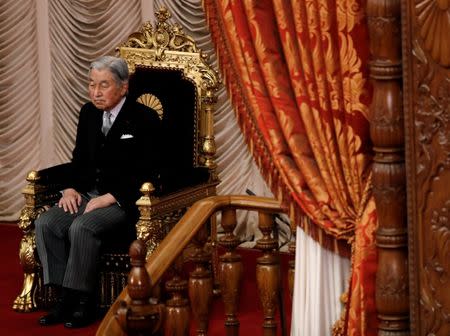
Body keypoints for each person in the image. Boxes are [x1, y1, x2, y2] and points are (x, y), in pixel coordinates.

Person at [34, 55, 161, 328]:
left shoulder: (143, 118)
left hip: (122, 202)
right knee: (47, 222)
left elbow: (148, 170)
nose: (95, 92)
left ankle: (83, 301)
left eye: (103, 85)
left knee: (82, 227)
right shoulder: (88, 113)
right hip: (87, 193)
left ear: (124, 87)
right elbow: (79, 158)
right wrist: (69, 188)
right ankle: (61, 298)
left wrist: (110, 197)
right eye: (91, 84)